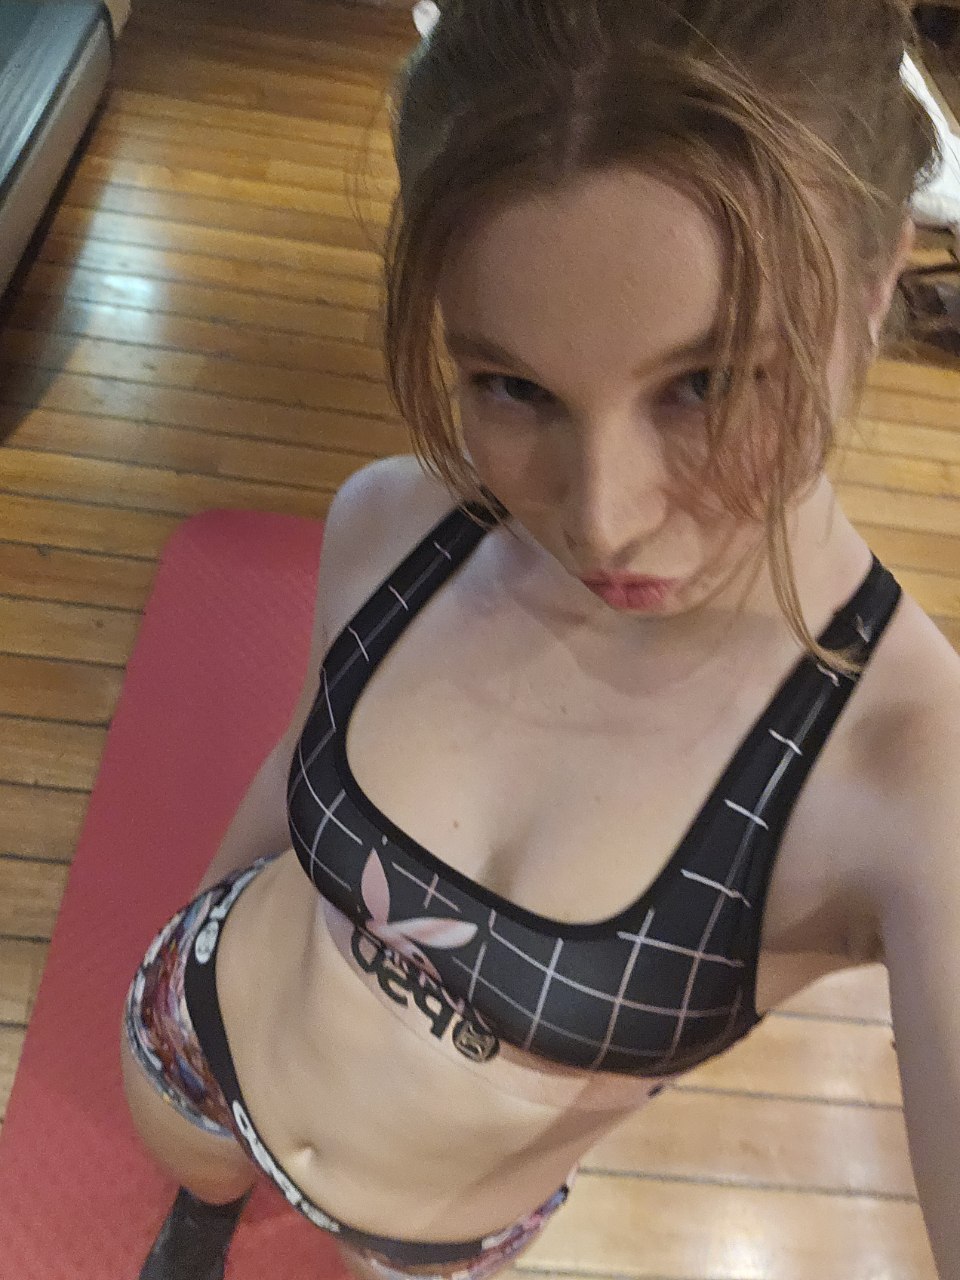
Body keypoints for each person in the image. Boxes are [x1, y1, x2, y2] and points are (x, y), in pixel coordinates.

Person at [118, 1, 960, 1277]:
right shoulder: (394, 521)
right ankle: (203, 1208)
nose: (603, 519)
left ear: (882, 276)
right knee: (198, 1180)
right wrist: (196, 912)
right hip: (196, 1048)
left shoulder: (911, 775)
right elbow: (296, 759)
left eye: (710, 380)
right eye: (513, 386)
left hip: (426, 1230)